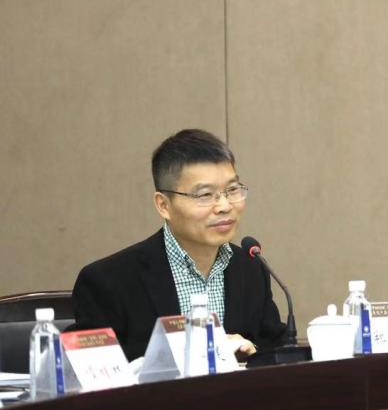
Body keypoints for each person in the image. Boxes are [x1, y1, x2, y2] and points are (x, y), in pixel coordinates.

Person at [71, 129, 285, 361]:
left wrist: (254, 352)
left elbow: (273, 347)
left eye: (232, 190)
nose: (224, 206)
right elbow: (91, 366)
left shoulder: (251, 268)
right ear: (164, 205)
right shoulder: (109, 282)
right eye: (205, 195)